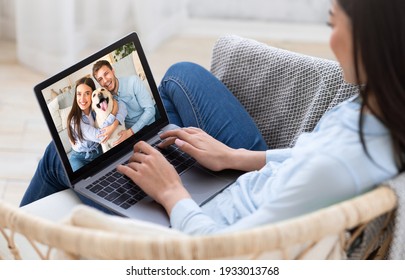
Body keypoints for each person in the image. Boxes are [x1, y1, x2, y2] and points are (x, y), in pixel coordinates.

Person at [21, 0, 404, 236]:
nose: (330, 35)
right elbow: (311, 157)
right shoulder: (374, 108)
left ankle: (11, 246)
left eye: (332, 22)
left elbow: (225, 255)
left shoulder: (340, 166)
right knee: (180, 77)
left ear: (370, 37)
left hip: (202, 220)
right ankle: (153, 158)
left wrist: (172, 193)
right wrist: (238, 157)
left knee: (62, 160)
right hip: (247, 178)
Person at [66, 77, 127, 171]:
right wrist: (114, 113)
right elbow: (101, 136)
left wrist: (115, 122)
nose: (82, 99)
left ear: (92, 96)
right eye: (79, 94)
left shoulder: (96, 106)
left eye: (87, 93)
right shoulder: (75, 121)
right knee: (81, 182)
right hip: (80, 157)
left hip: (98, 151)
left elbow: (121, 105)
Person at [92, 60, 156, 145]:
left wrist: (131, 132)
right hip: (129, 137)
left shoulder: (133, 81)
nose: (105, 80)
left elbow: (150, 110)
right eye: (100, 79)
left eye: (106, 74)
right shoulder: (107, 99)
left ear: (113, 71)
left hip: (149, 127)